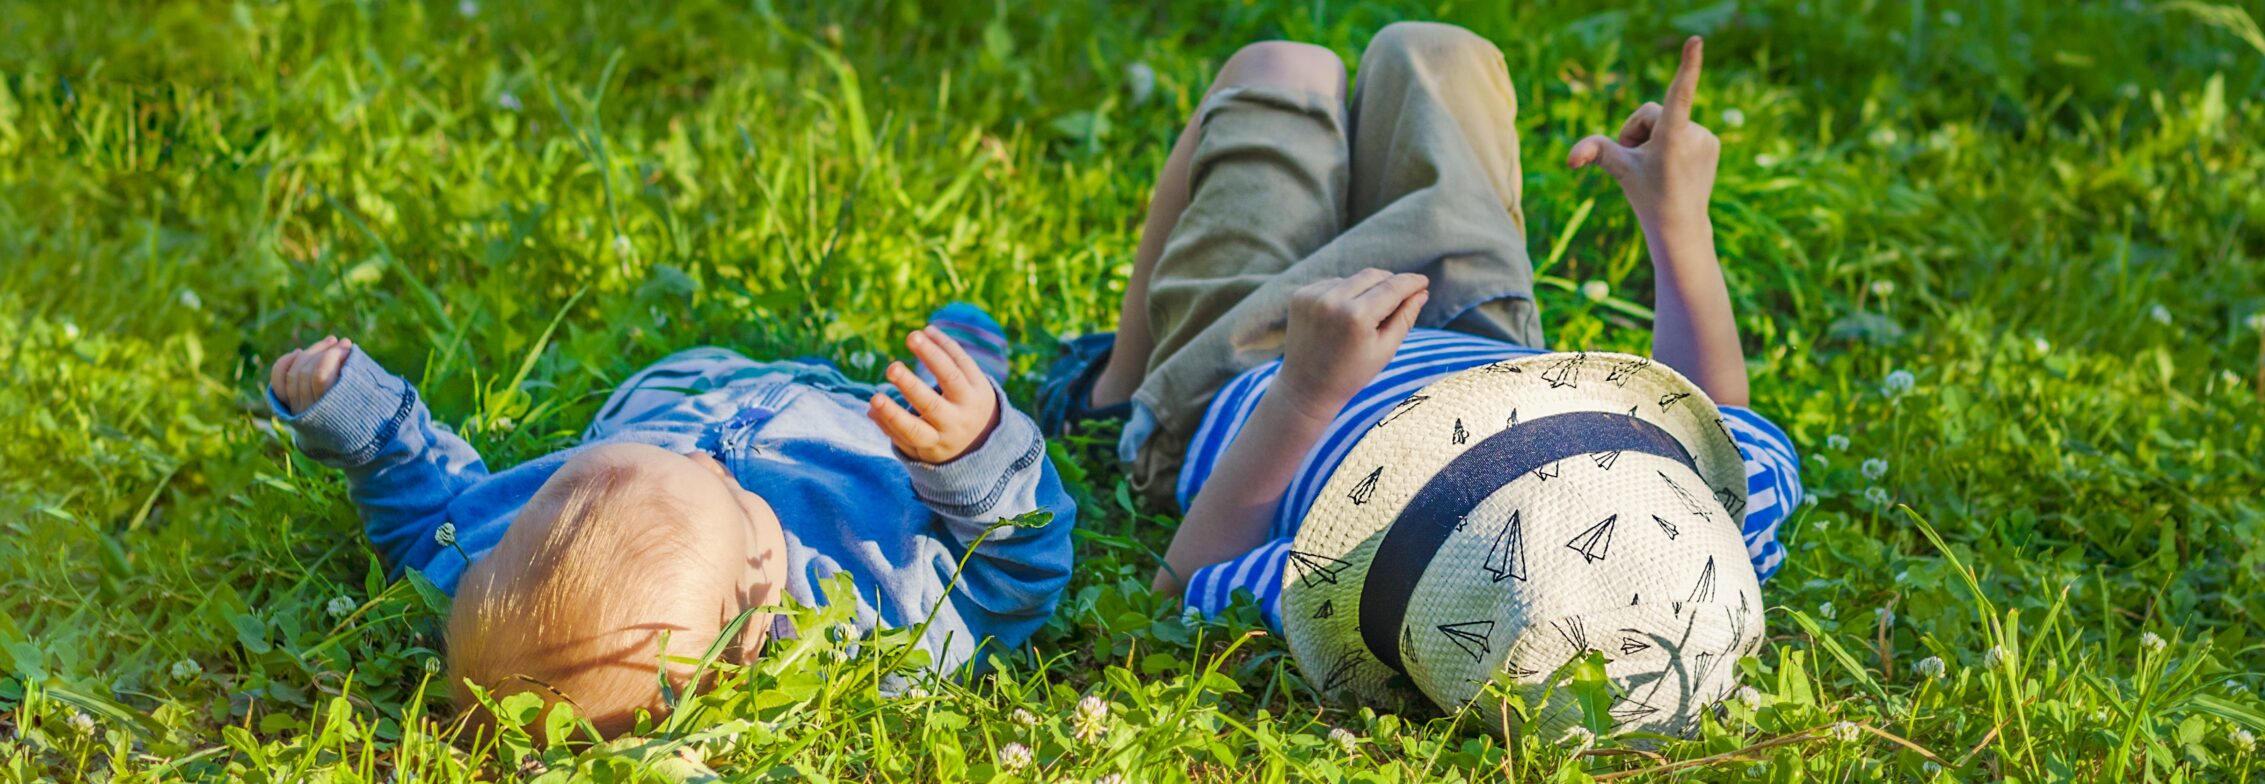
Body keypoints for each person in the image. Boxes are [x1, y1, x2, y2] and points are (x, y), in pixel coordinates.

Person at [1038, 24, 1801, 738]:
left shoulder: (1382, 576)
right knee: (1440, 52)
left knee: (1278, 72)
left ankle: (1113, 393)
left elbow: (1184, 590)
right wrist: (1678, 223)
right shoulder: (1696, 573)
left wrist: (1305, 392)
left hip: (1248, 369)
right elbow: (1720, 422)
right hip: (1476, 335)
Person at [267, 304, 1076, 738]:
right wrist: (972, 462)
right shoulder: (876, 614)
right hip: (862, 440)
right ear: (747, 635)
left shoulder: (494, 565)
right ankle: (962, 393)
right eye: (727, 498)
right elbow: (1019, 576)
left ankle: (927, 382)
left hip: (688, 397)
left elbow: (426, 519)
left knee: (658, 407)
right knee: (933, 410)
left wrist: (362, 419)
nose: (706, 463)